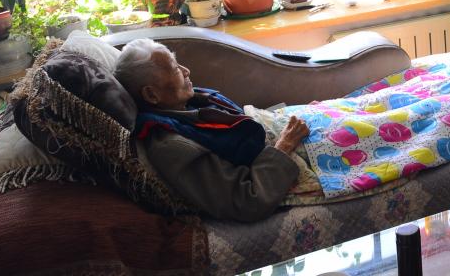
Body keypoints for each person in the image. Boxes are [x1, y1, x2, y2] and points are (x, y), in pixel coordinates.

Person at [114, 38, 310, 222]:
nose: (186, 70)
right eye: (175, 69)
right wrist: (284, 145)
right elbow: (246, 200)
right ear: (151, 95)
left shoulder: (186, 103)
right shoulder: (172, 146)